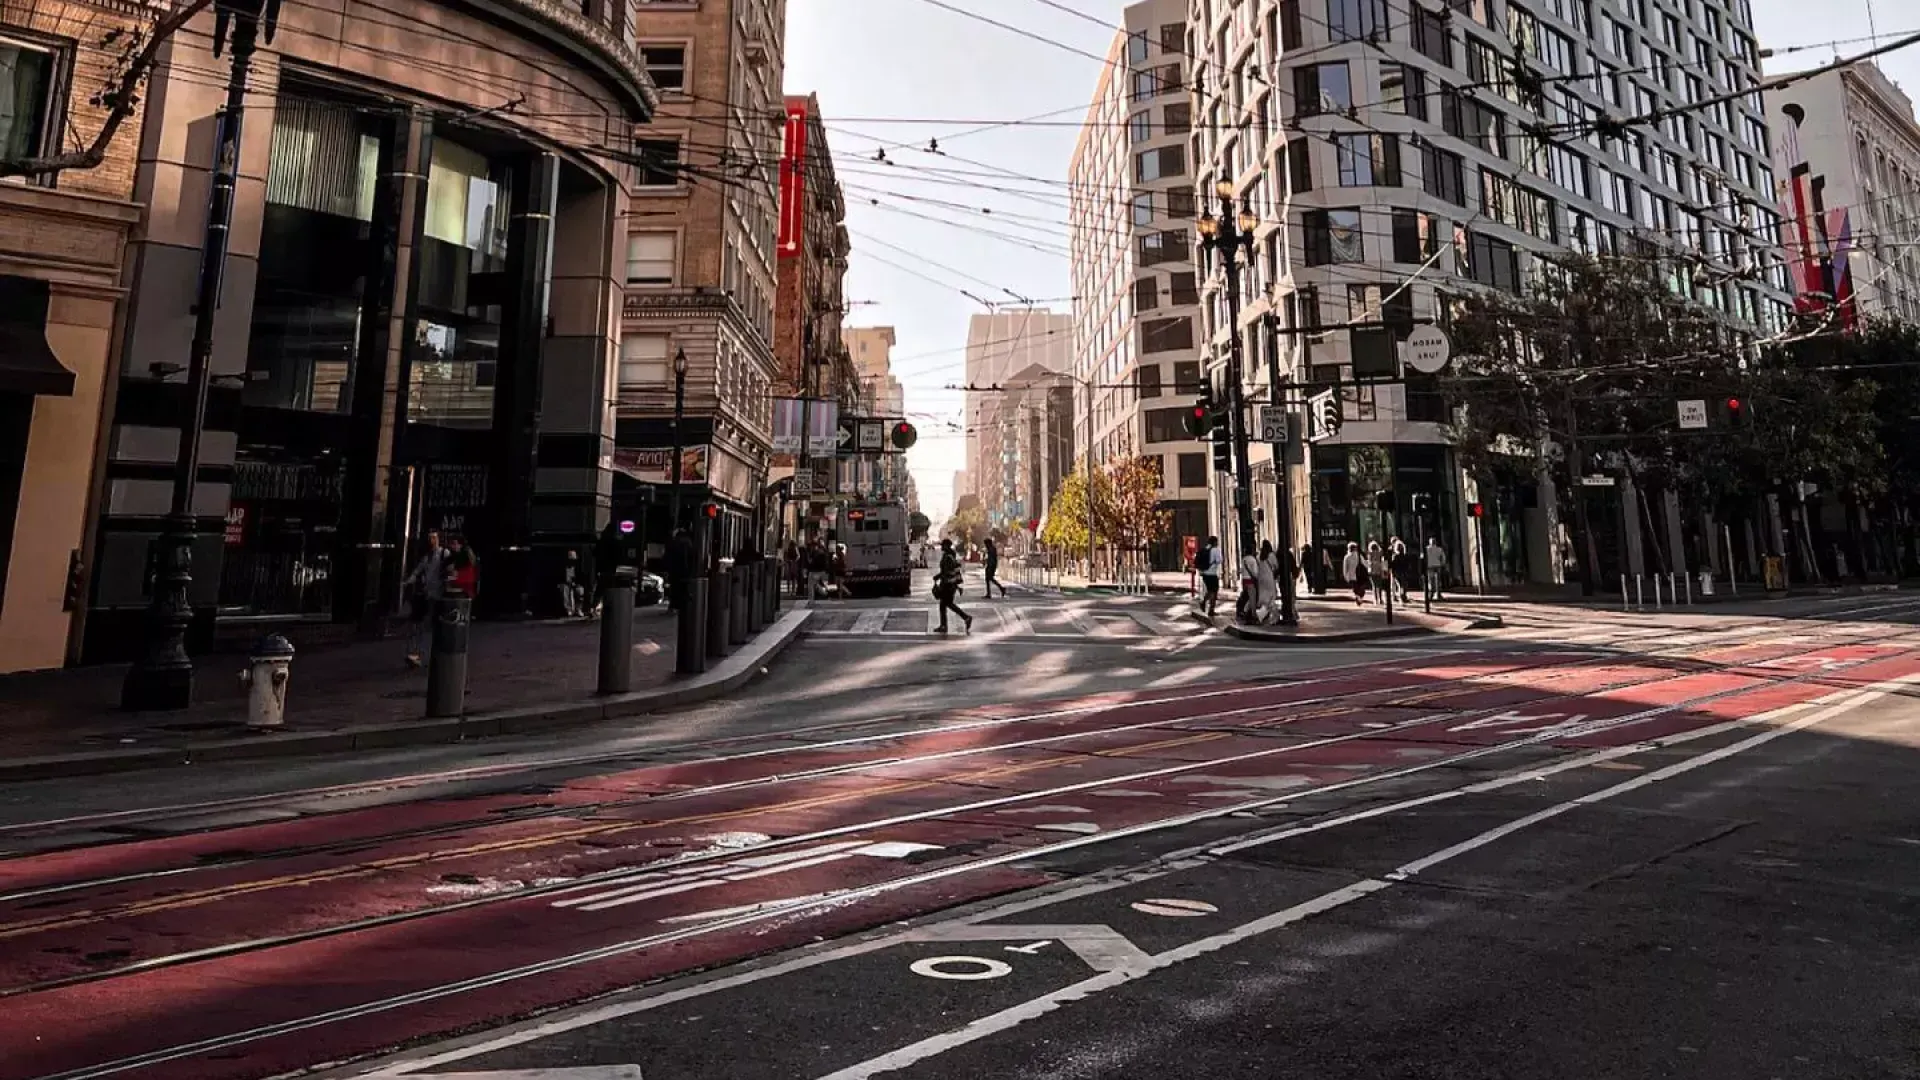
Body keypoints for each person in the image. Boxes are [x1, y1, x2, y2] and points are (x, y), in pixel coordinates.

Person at [402, 529, 448, 667]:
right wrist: (410, 580)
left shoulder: (443, 554)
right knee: (422, 625)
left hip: (437, 594)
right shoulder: (427, 556)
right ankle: (418, 654)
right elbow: (418, 570)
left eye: (434, 538)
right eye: (430, 538)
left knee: (426, 626)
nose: (432, 541)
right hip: (428, 594)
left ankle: (421, 654)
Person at [934, 538, 973, 633]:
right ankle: (944, 625)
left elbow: (947, 571)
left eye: (943, 545)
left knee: (946, 604)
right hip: (949, 583)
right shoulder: (949, 555)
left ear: (947, 546)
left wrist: (939, 577)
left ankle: (965, 617)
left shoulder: (948, 557)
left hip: (948, 584)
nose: (941, 547)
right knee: (945, 604)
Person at [447, 535, 479, 601]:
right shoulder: (456, 555)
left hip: (465, 590)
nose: (452, 546)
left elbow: (458, 574)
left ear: (460, 545)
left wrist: (451, 576)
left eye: (454, 544)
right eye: (451, 544)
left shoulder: (463, 555)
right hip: (465, 589)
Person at [1197, 535, 1222, 618]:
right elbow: (1219, 560)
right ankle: (1210, 609)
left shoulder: (1205, 549)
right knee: (1214, 591)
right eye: (1217, 542)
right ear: (1215, 542)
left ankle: (1204, 603)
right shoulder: (1216, 550)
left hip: (1205, 573)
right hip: (1212, 573)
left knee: (1210, 590)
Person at [1388, 537, 1412, 603]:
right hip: (1402, 572)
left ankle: (1401, 597)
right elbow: (1407, 564)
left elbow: (1392, 565)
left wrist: (1392, 571)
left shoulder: (1395, 556)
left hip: (1397, 572)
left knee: (1400, 585)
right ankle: (1402, 597)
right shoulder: (1404, 555)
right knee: (1402, 585)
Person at [1366, 540, 1389, 605]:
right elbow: (1383, 561)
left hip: (1372, 571)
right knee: (1379, 586)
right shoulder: (1380, 553)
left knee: (1374, 586)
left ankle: (1375, 599)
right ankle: (1381, 599)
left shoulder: (1370, 553)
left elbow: (1369, 562)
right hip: (1379, 570)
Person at [1342, 541, 1366, 606]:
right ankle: (1359, 598)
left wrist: (1346, 577)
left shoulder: (1346, 557)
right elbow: (1365, 564)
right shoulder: (1359, 555)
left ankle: (1358, 598)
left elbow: (1345, 568)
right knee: (1360, 589)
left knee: (1355, 589)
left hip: (1351, 576)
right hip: (1359, 575)